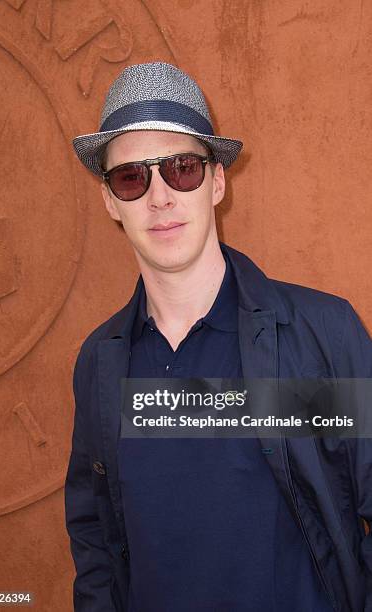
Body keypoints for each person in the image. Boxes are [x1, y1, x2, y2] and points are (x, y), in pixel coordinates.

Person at [64, 62, 372, 612]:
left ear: (217, 181)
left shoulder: (319, 335)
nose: (159, 197)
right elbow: (96, 542)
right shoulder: (101, 364)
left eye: (181, 168)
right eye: (132, 177)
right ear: (110, 201)